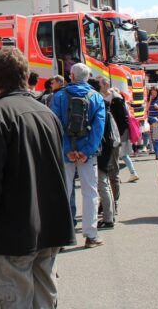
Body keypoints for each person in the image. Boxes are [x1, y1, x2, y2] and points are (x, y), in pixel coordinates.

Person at [0, 47, 74, 308]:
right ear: (25, 76)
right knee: (44, 301)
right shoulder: (46, 114)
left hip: (10, 237)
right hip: (48, 231)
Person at [52, 62, 106, 248]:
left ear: (72, 76)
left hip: (65, 153)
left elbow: (55, 124)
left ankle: (62, 236)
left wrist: (67, 148)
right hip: (87, 155)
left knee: (64, 192)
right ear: (88, 77)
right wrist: (86, 151)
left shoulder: (59, 96)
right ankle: (91, 235)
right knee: (90, 193)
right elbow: (99, 128)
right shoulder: (96, 97)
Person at [96, 78, 120, 229]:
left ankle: (108, 216)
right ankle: (109, 213)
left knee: (104, 182)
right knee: (105, 181)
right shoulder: (105, 108)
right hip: (109, 146)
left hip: (103, 148)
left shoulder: (103, 108)